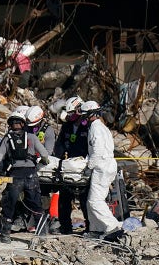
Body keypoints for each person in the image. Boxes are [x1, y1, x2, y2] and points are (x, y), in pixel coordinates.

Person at [0, 111, 50, 244]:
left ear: (10, 125)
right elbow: (45, 155)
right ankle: (42, 236)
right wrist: (39, 165)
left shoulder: (7, 138)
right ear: (23, 124)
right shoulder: (32, 137)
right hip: (31, 175)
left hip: (15, 175)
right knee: (36, 204)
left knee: (9, 204)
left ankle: (5, 235)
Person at [80, 100, 122, 238]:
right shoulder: (103, 127)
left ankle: (112, 226)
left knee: (95, 201)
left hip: (101, 167)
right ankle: (96, 229)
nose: (84, 118)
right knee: (90, 200)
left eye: (85, 115)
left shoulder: (95, 129)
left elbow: (97, 151)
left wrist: (89, 167)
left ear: (90, 115)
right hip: (107, 164)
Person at [52, 96, 90, 235]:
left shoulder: (88, 126)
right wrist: (56, 161)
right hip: (68, 167)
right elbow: (60, 145)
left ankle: (89, 226)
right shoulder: (67, 126)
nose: (69, 116)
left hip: (83, 167)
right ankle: (65, 227)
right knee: (64, 198)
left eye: (72, 113)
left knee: (85, 199)